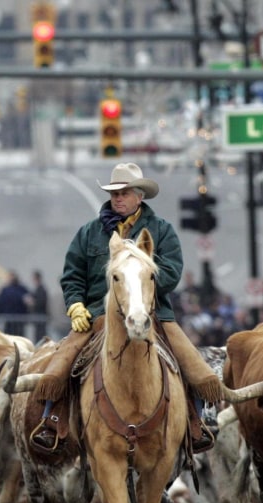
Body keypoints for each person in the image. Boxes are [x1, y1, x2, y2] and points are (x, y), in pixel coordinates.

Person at [31, 163, 221, 452]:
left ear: (139, 196)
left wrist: (140, 286)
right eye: (114, 193)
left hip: (151, 312)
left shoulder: (162, 231)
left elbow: (171, 272)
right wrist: (76, 306)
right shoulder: (89, 233)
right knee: (61, 364)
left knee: (192, 364)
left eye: (124, 193)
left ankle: (197, 422)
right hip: (97, 314)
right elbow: (72, 275)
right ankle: (52, 420)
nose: (118, 198)